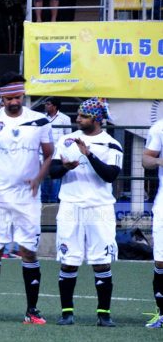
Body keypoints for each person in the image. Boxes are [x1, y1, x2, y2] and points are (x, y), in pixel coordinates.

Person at [0, 72, 54, 324]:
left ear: (23, 95)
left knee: (28, 252)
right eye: (9, 97)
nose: (14, 101)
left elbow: (49, 154)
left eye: (17, 96)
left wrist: (39, 177)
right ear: (1, 98)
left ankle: (32, 311)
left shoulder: (40, 121)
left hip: (27, 198)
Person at [49, 99, 121, 327]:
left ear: (97, 119)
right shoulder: (65, 140)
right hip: (70, 207)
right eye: (78, 115)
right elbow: (53, 171)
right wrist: (65, 167)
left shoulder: (111, 144)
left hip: (99, 209)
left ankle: (104, 314)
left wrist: (89, 155)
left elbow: (110, 175)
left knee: (101, 262)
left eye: (84, 116)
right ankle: (67, 313)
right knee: (69, 261)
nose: (78, 119)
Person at [143, 118, 163, 328]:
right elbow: (146, 159)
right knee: (161, 260)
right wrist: (158, 161)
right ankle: (162, 314)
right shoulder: (160, 127)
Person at [40, 97, 72, 204]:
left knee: (55, 178)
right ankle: (43, 201)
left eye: (48, 104)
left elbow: (68, 136)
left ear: (54, 106)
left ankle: (53, 202)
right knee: (44, 176)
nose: (46, 106)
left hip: (58, 154)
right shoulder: (42, 118)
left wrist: (65, 152)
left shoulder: (64, 118)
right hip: (44, 152)